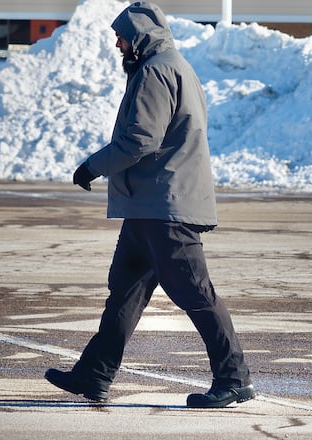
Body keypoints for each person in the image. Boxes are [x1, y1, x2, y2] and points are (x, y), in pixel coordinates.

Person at [44, 1, 255, 409]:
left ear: (140, 36)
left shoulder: (157, 71)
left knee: (196, 293)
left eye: (122, 36)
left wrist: (92, 166)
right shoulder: (170, 67)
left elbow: (141, 139)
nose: (118, 44)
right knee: (124, 292)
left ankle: (234, 378)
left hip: (165, 206)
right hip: (149, 205)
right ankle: (94, 374)